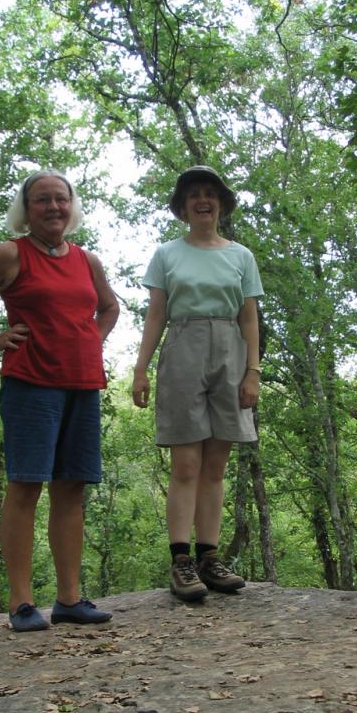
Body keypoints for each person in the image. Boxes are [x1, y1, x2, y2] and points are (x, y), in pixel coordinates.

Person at [0, 169, 119, 631]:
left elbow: (110, 306)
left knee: (72, 487)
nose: (53, 207)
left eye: (61, 199)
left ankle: (70, 599)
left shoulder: (86, 260)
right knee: (25, 485)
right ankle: (21, 602)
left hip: (82, 383)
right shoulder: (9, 254)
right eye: (42, 200)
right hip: (31, 384)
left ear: (71, 206)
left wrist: (89, 341)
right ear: (27, 208)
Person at [132, 165, 263, 602]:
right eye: (193, 195)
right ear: (183, 206)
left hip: (231, 350)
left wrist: (253, 372)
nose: (202, 200)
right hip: (183, 347)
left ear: (222, 204)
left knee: (216, 465)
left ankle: (210, 558)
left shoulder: (240, 255)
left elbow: (249, 317)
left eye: (210, 194)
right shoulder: (167, 254)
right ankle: (181, 562)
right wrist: (140, 368)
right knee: (186, 464)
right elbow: (155, 314)